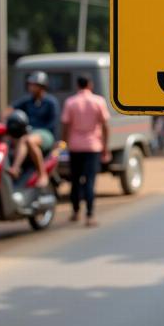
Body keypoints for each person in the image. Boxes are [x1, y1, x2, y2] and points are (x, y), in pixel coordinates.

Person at [62, 75, 110, 227]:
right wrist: (105, 146)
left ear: (77, 85)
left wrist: (65, 143)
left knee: (75, 181)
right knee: (90, 181)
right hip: (92, 147)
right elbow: (105, 126)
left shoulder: (70, 102)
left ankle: (75, 212)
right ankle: (89, 215)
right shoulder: (98, 101)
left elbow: (65, 125)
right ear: (90, 85)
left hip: (75, 146)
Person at [6, 110, 49, 187]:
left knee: (27, 140)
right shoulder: (26, 102)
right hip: (27, 134)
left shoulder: (50, 102)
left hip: (43, 133)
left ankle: (42, 175)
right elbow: (9, 109)